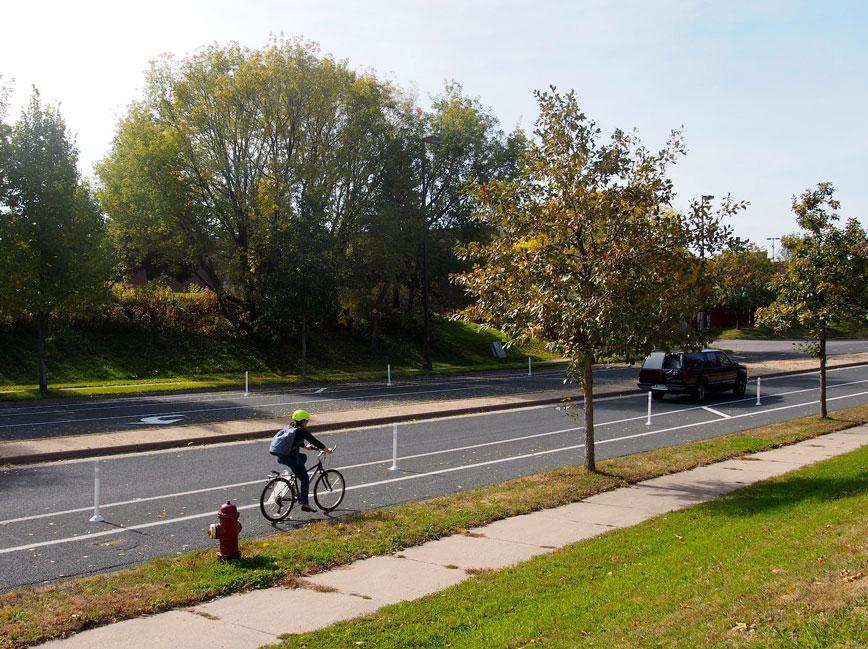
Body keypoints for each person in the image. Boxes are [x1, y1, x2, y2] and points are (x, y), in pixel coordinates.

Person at [274, 409, 332, 512]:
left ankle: (294, 474)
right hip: (290, 458)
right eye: (307, 421)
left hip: (281, 456)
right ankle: (305, 504)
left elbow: (293, 441)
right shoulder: (301, 430)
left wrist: (305, 446)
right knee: (305, 479)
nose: (307, 423)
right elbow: (314, 440)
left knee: (303, 457)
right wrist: (326, 450)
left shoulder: (291, 427)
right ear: (303, 421)